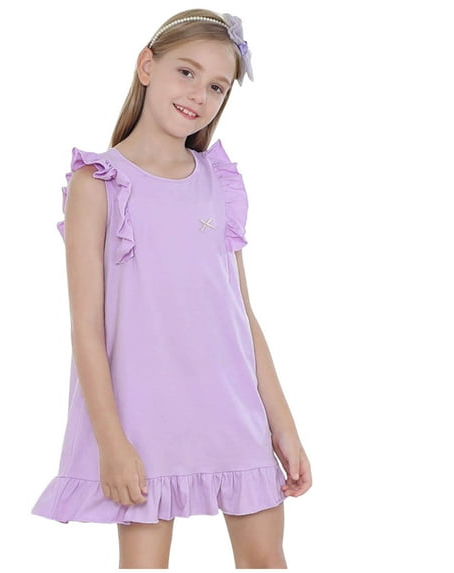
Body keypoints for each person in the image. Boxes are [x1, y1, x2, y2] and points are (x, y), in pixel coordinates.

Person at [31, 8, 312, 569]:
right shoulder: (98, 183)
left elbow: (242, 313)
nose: (199, 95)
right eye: (186, 72)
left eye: (217, 86)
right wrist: (111, 442)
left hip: (234, 413)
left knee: (266, 559)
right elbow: (86, 328)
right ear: (146, 67)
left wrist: (283, 425)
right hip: (143, 423)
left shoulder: (219, 182)